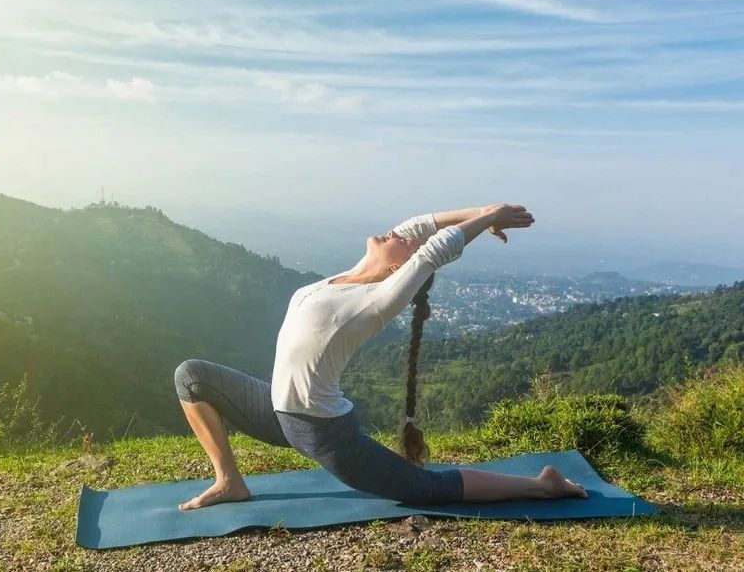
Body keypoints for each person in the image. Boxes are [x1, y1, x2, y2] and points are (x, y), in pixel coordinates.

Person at [173, 203, 589, 510]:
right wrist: (482, 209)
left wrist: (489, 217)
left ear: (398, 272)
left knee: (426, 489)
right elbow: (419, 227)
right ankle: (229, 480)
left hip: (323, 431)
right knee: (191, 376)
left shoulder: (375, 301)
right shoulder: (348, 277)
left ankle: (543, 485)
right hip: (280, 413)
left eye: (402, 244)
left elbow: (433, 249)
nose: (396, 234)